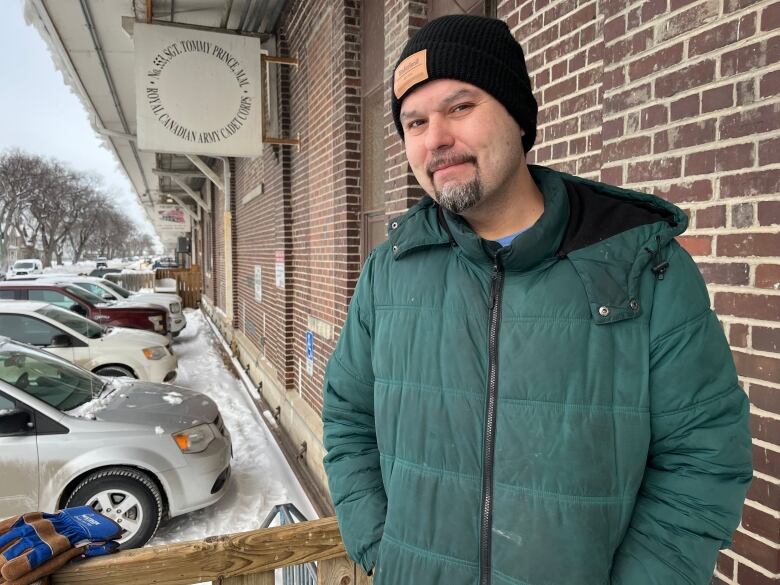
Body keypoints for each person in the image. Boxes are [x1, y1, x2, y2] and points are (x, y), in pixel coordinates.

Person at [322, 14, 752, 585]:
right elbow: (349, 417)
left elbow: (703, 457)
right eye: (414, 122)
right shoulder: (390, 274)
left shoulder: (642, 267)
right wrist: (379, 544)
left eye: (460, 107)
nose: (436, 139)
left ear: (519, 119)